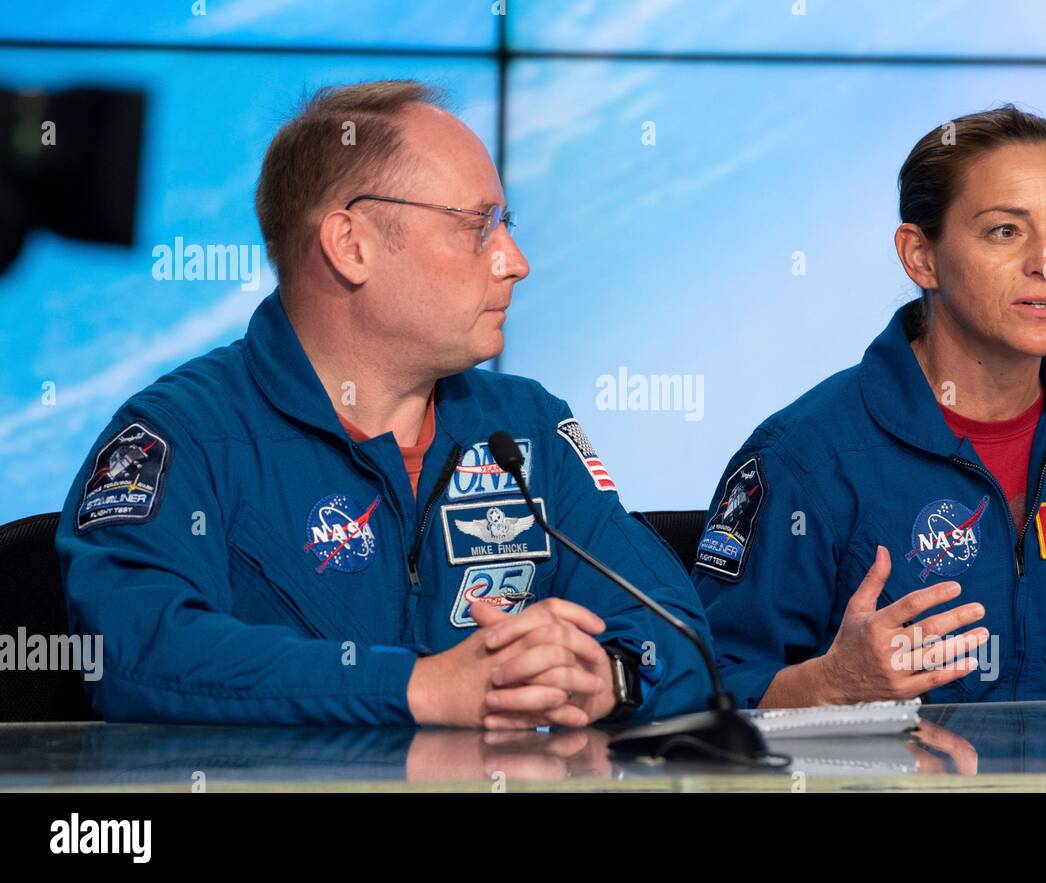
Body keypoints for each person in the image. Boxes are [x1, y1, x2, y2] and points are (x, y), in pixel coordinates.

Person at [56, 81, 714, 728]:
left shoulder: (528, 427)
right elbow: (133, 652)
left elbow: (677, 634)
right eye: (478, 227)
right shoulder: (182, 435)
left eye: (505, 226)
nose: (515, 262)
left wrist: (612, 677)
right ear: (351, 245)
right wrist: (419, 688)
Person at [692, 105, 1046, 708]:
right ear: (921, 257)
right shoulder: (806, 456)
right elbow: (705, 690)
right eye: (1005, 231)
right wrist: (830, 686)